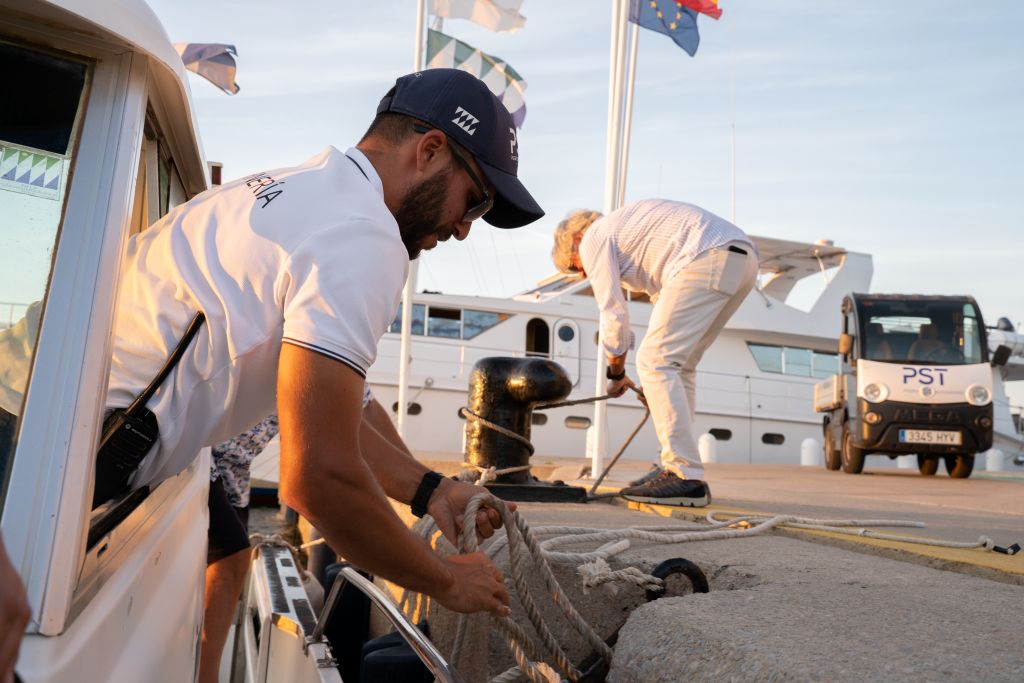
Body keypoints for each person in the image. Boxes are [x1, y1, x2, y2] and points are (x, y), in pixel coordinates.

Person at [100, 68, 543, 681]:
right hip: (73, 463)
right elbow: (316, 479)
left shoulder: (294, 190)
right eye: (476, 200)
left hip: (43, 431)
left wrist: (433, 492)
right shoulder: (364, 237)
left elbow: (332, 409)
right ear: (430, 151)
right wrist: (445, 580)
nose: (465, 228)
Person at [551, 200, 757, 506]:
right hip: (743, 260)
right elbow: (664, 301)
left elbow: (613, 312)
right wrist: (658, 389)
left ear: (576, 240)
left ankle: (684, 474)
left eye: (573, 267)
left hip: (707, 255)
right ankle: (675, 467)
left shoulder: (594, 236)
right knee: (678, 366)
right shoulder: (628, 232)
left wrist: (616, 374)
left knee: (655, 361)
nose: (581, 275)